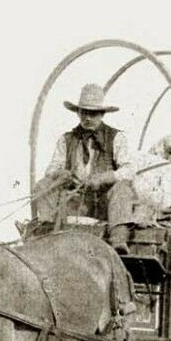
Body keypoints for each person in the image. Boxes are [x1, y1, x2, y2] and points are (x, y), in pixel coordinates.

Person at [32, 83, 138, 250]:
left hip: (104, 205)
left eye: (93, 113)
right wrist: (61, 174)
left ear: (102, 114)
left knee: (123, 188)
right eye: (84, 112)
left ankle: (118, 240)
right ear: (78, 112)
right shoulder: (66, 139)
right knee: (42, 186)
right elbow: (51, 169)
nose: (87, 118)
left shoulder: (116, 138)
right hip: (74, 203)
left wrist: (105, 177)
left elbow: (129, 170)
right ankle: (48, 232)